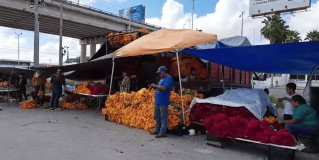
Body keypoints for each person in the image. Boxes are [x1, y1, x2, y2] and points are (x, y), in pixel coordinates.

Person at [150, 66, 173, 138]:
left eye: (160, 72)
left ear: (163, 72)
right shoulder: (161, 79)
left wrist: (155, 85)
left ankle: (162, 132)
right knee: (157, 116)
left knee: (163, 117)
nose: (159, 74)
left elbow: (164, 88)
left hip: (163, 101)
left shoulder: (169, 78)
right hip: (158, 100)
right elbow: (159, 87)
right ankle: (157, 130)